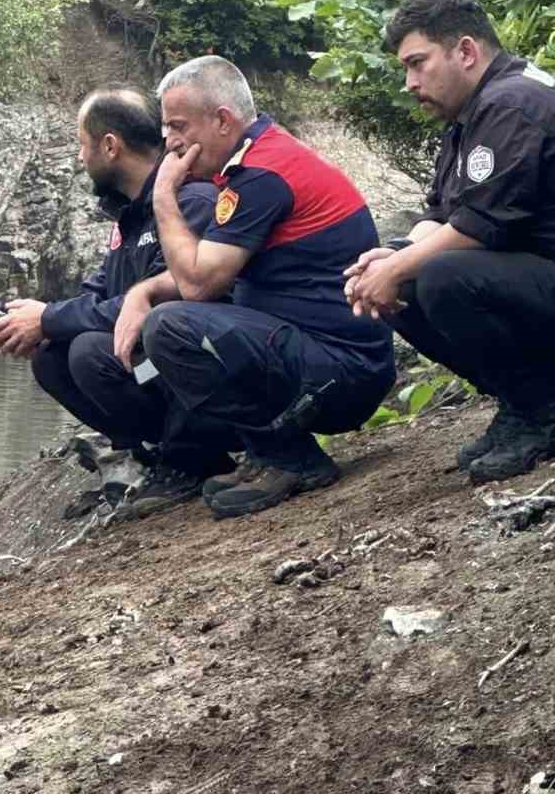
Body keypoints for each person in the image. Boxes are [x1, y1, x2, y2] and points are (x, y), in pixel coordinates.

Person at [344, 0, 555, 482]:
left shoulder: (513, 103)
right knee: (407, 278)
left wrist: (398, 266)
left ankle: (546, 415)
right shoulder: (474, 115)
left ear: (465, 51)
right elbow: (441, 216)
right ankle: (525, 404)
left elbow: (477, 229)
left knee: (439, 277)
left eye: (417, 63)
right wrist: (388, 258)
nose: (410, 82)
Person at [118, 55, 396, 520]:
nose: (169, 142)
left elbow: (198, 283)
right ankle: (265, 451)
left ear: (222, 121)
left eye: (178, 125)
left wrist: (163, 195)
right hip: (322, 357)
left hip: (343, 370)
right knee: (163, 319)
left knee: (171, 327)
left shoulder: (262, 174)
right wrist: (140, 293)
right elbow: (205, 271)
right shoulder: (257, 161)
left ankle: (290, 457)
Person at [0, 88, 219, 516]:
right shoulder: (129, 214)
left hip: (196, 367)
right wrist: (37, 319)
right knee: (52, 355)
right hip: (153, 366)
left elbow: (155, 304)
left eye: (81, 144)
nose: (79, 157)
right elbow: (103, 292)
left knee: (90, 352)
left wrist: (53, 319)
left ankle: (195, 458)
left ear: (110, 145)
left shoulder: (188, 201)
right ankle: (142, 457)